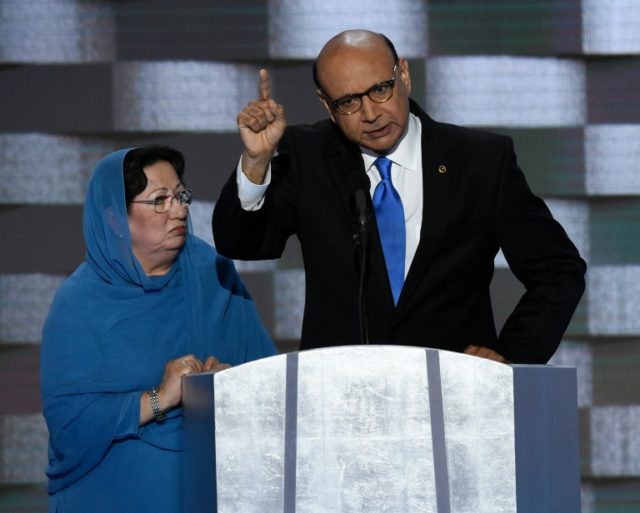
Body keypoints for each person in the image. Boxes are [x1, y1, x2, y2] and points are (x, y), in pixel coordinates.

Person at [213, 29, 586, 364]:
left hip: (457, 399)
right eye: (348, 102)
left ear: (403, 75)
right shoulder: (308, 156)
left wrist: (509, 357)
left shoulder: (480, 161)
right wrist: (257, 161)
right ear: (327, 106)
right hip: (340, 402)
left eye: (380, 89)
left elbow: (559, 271)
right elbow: (241, 242)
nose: (371, 113)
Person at [40, 146, 276, 512]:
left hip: (214, 489)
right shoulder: (79, 302)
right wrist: (160, 397)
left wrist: (232, 387)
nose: (180, 210)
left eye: (180, 195)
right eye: (160, 200)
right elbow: (70, 426)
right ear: (116, 218)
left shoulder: (211, 272)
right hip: (110, 495)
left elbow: (268, 378)